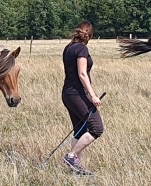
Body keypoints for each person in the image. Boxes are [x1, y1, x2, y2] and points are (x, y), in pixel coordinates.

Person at [61, 21, 104, 175]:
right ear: (90, 35)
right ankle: (71, 157)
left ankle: (75, 168)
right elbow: (82, 73)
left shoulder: (68, 48)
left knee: (80, 131)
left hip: (67, 94)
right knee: (96, 128)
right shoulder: (82, 49)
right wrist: (92, 96)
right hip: (77, 94)